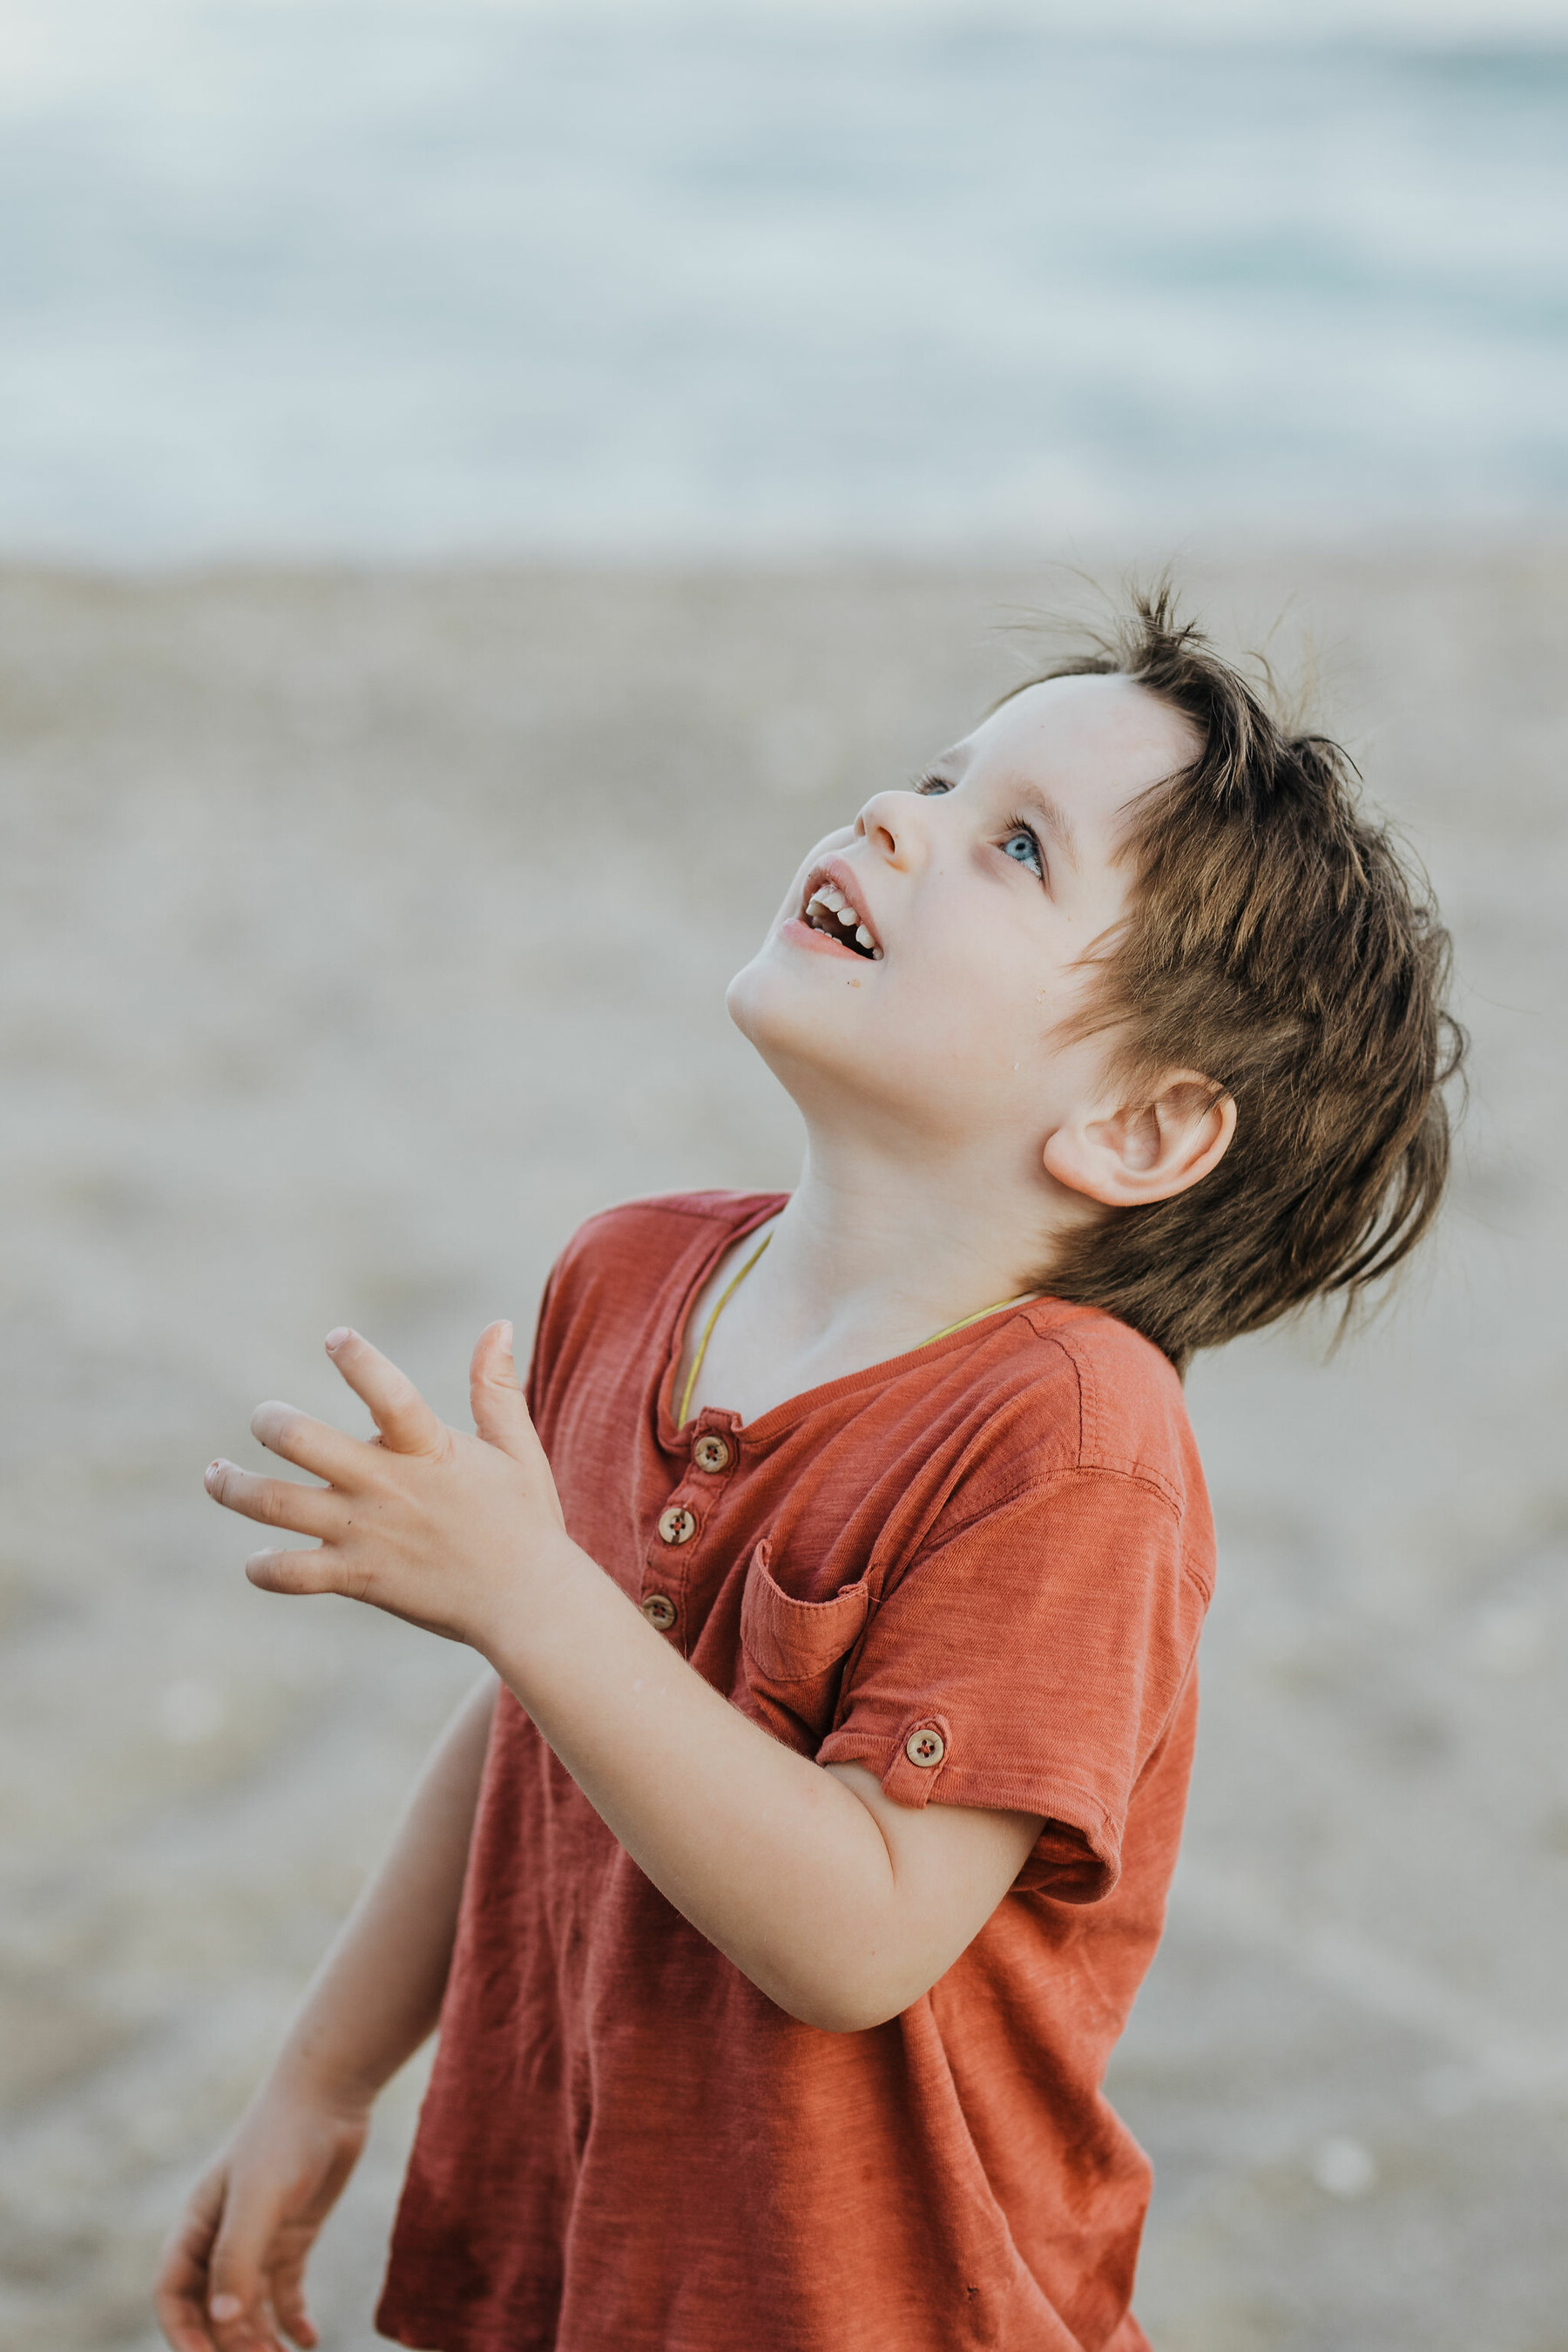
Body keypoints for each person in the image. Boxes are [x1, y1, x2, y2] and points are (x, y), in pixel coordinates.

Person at [154, 587, 1460, 2352]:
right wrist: (321, 2077)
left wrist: (530, 1595)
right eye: (934, 775)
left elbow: (861, 1933)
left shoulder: (1070, 1440)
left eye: (1012, 845)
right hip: (582, 2255)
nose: (892, 818)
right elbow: (543, 1733)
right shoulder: (628, 1278)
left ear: (1140, 1125)